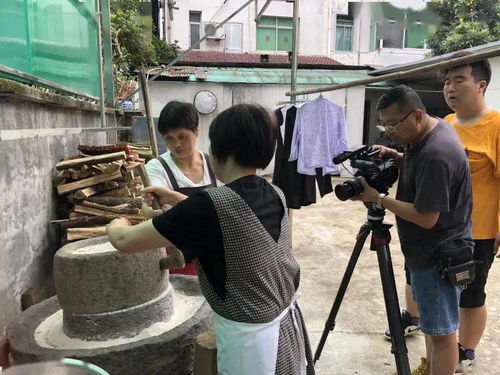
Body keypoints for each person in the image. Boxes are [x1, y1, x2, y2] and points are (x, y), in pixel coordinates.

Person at [108, 104, 315, 375]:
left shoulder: (209, 206)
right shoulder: (274, 193)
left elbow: (124, 241)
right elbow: (227, 214)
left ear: (219, 150)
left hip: (251, 343)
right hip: (287, 326)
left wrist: (116, 221)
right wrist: (177, 198)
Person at [352, 85, 473, 375]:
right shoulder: (433, 131)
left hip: (438, 256)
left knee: (442, 335)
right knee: (433, 326)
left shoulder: (436, 153)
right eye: (384, 124)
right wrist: (395, 155)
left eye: (393, 124)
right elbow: (420, 167)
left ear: (417, 116)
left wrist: (378, 199)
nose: (387, 130)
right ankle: (430, 368)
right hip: (427, 252)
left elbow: (426, 217)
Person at [441, 52, 500, 372]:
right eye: (447, 81)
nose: (450, 88)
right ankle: (447, 342)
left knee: (472, 293)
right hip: (441, 228)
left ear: (481, 85)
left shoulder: (497, 125)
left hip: (478, 231)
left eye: (459, 80)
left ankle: (467, 348)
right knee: (443, 289)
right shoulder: (446, 124)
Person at [143, 101, 218, 275]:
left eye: (182, 136)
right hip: (179, 261)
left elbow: (224, 210)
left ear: (197, 131)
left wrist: (173, 197)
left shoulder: (214, 163)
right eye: (169, 138)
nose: (177, 144)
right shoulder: (157, 166)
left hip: (214, 256)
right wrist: (148, 208)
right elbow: (151, 205)